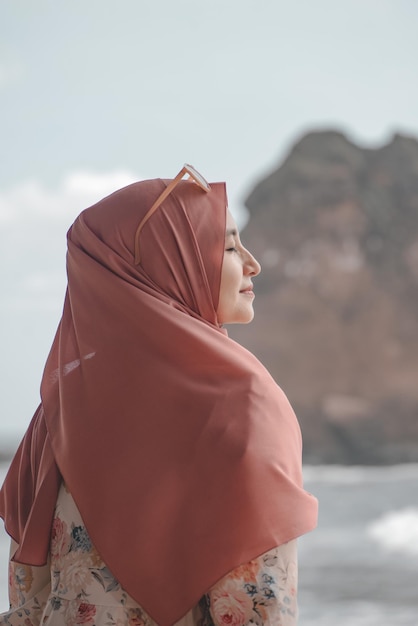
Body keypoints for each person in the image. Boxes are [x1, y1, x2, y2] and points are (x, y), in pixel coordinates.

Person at [0, 165, 317, 626]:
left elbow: (26, 605)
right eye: (228, 245)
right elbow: (257, 610)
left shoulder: (59, 414)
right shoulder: (240, 404)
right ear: (170, 262)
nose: (252, 263)